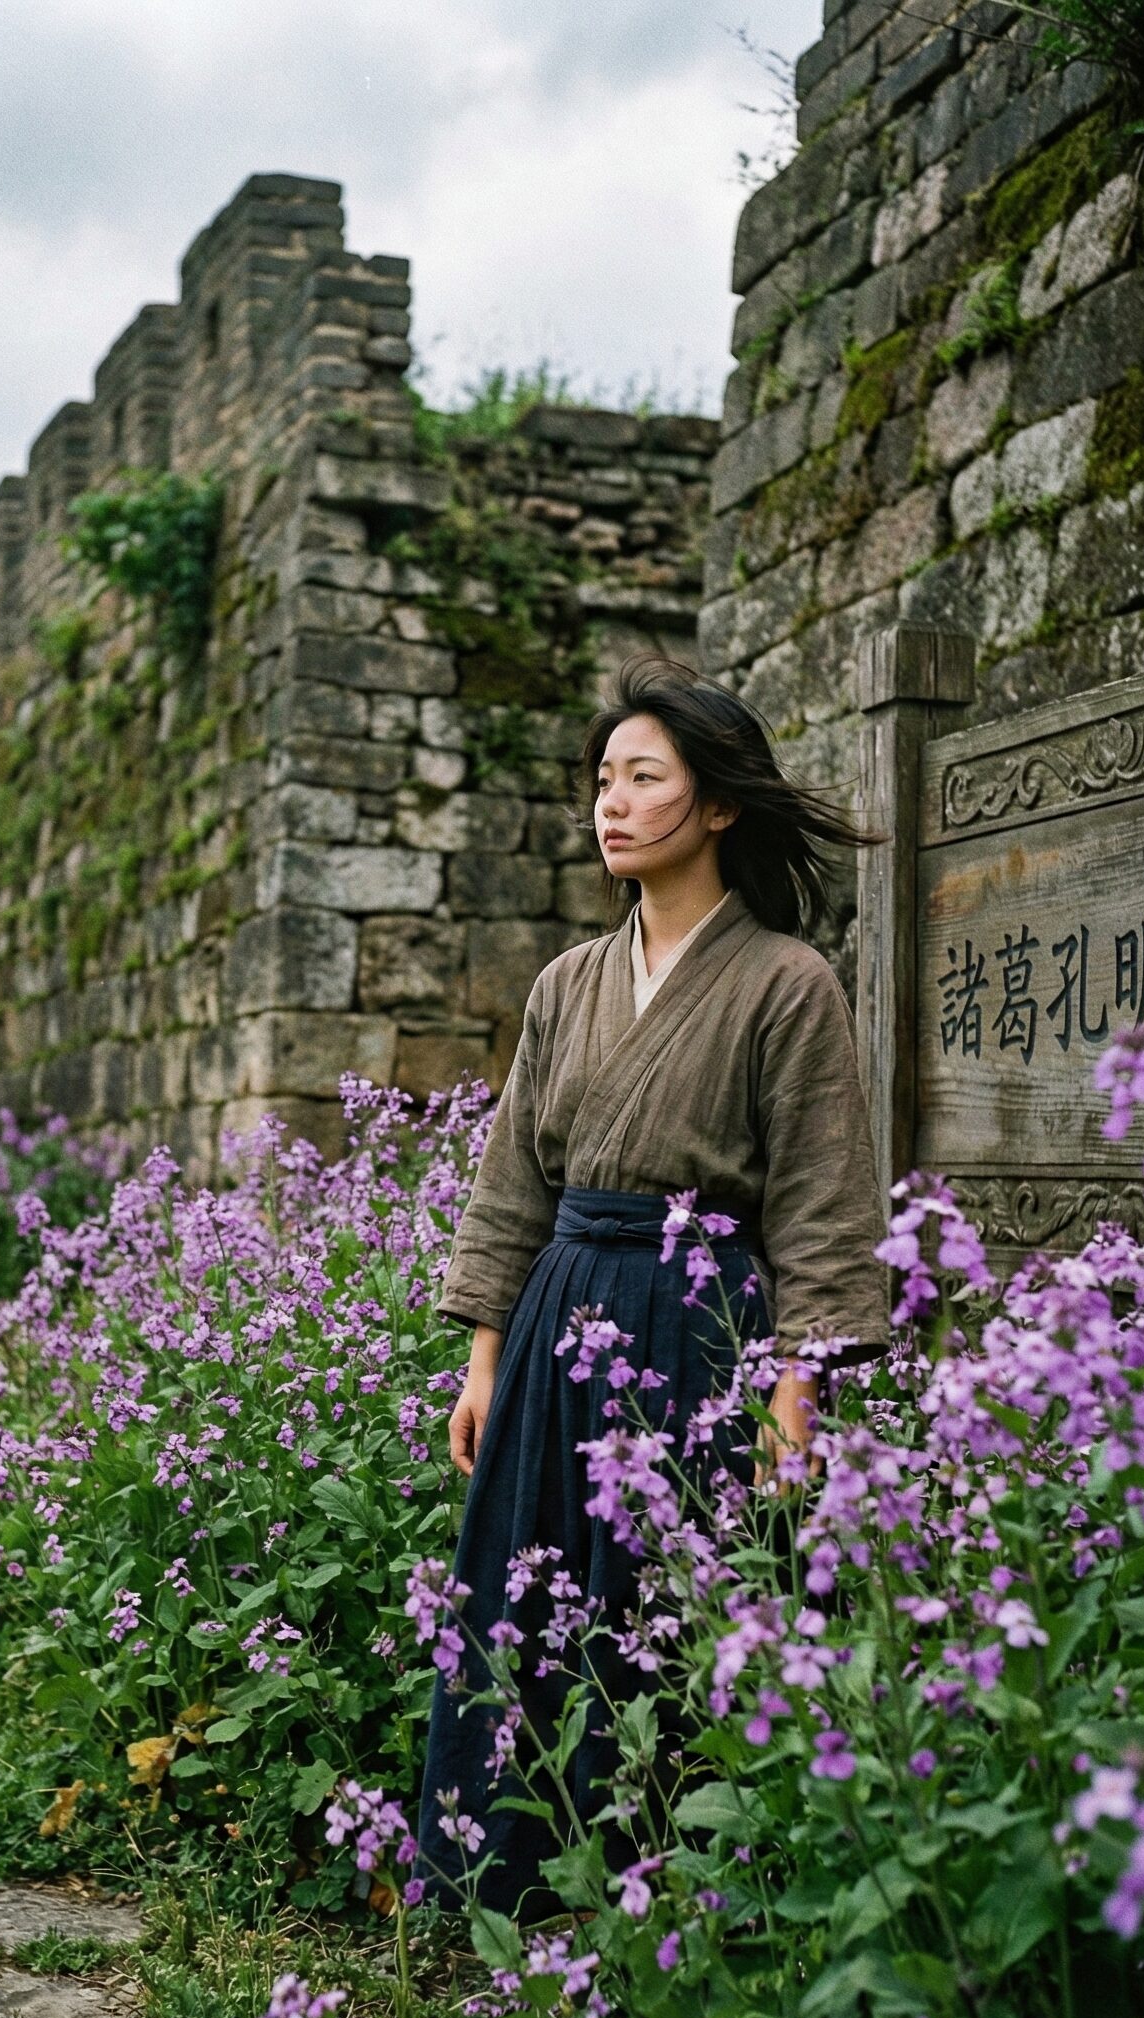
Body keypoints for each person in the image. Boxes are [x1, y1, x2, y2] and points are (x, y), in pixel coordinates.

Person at [414, 653, 893, 1923]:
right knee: (530, 1585)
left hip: (694, 1326)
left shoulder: (787, 983)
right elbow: (512, 1179)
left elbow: (820, 1203)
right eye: (601, 780)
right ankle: (507, 1869)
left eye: (642, 777)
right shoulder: (566, 982)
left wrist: (794, 1393)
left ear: (718, 803)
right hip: (556, 1314)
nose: (608, 804)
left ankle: (675, 1897)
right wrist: (480, 1360)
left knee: (670, 1601)